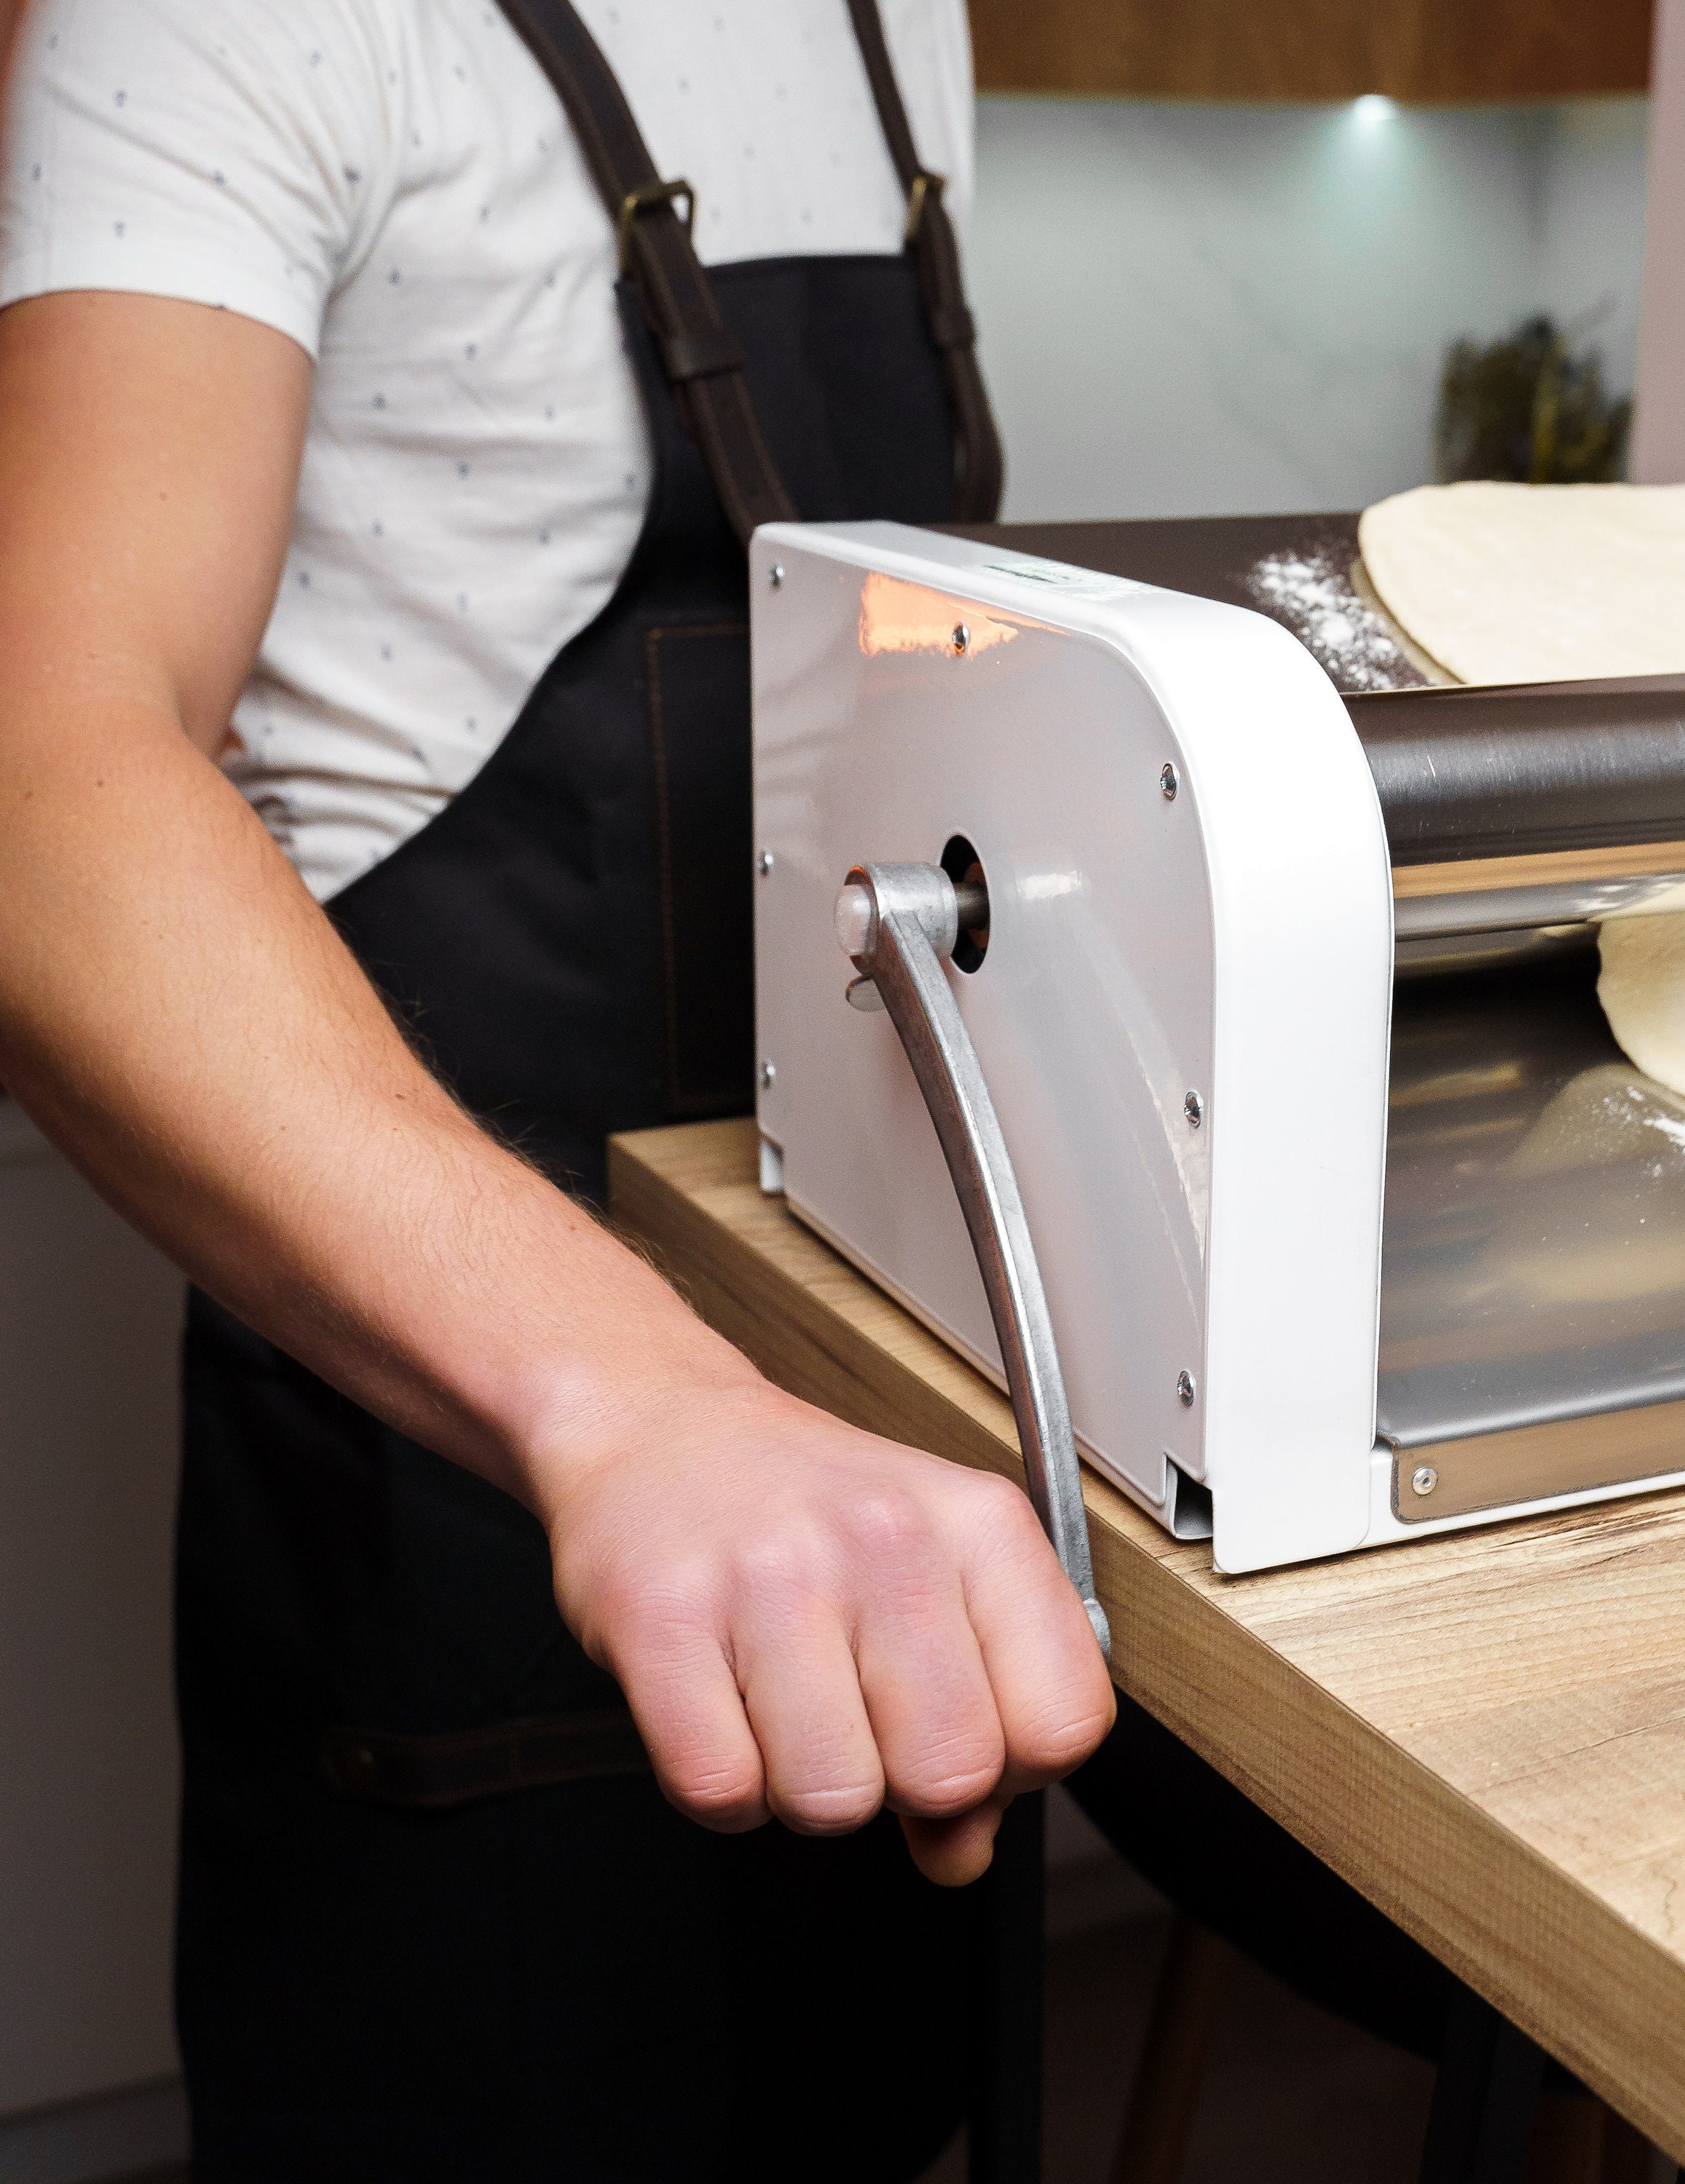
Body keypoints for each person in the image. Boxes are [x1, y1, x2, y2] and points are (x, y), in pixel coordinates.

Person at [0, 0, 1113, 2173]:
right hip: (461, 1455)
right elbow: (46, 765)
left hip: (861, 1447)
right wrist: (642, 1403)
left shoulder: (899, 22)